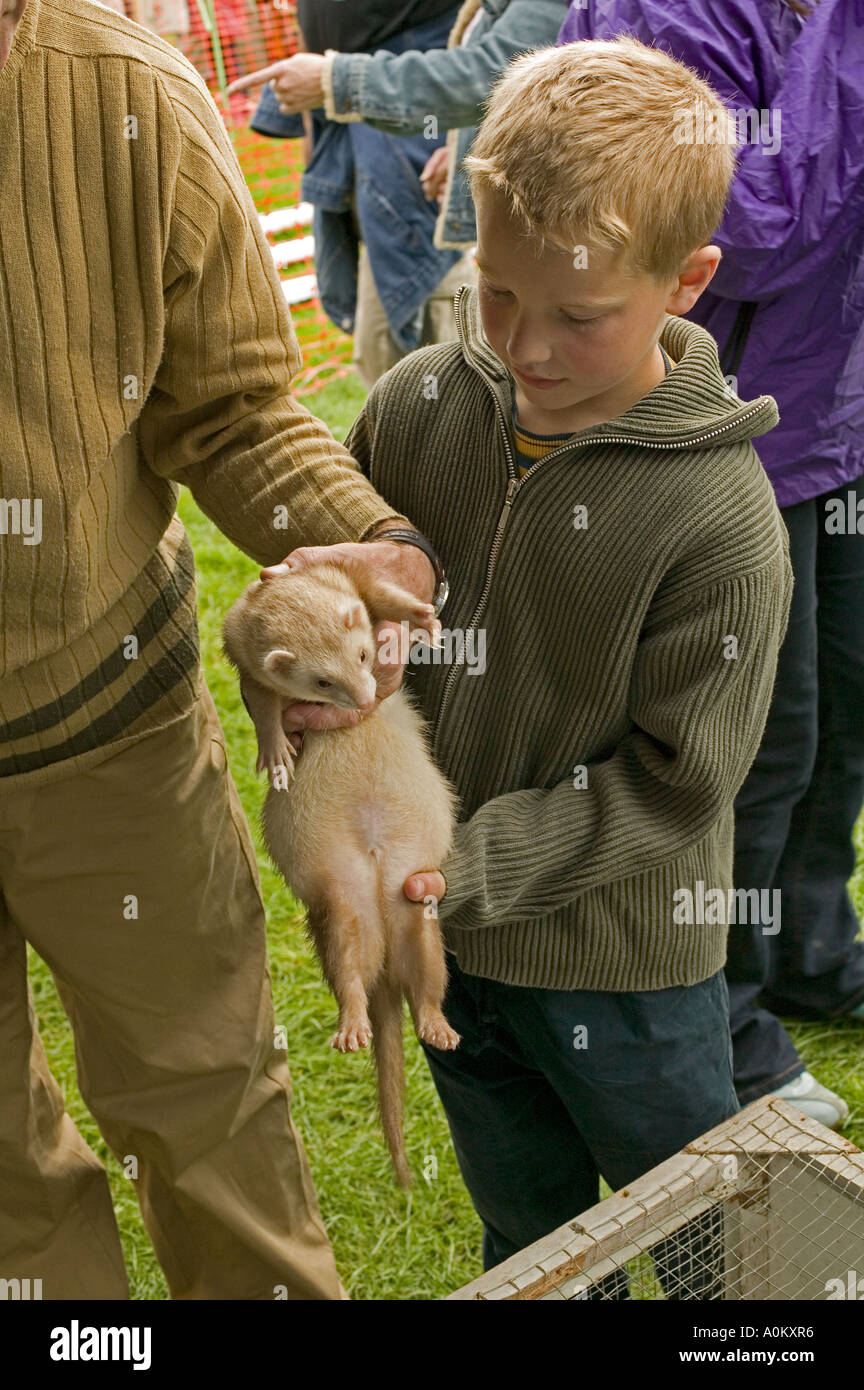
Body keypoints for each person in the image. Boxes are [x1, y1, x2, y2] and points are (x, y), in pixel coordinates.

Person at [0, 0, 444, 1300]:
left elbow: (238, 406)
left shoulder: (122, 89)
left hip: (107, 731)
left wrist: (377, 542)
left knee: (205, 1107)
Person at [341, 35, 793, 1289]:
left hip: (623, 968)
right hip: (446, 965)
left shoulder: (720, 520)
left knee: (706, 1241)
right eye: (495, 292)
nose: (525, 347)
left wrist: (448, 866)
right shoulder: (422, 403)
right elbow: (353, 603)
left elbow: (675, 779)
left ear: (687, 281)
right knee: (531, 1242)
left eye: (580, 316)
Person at [559, 0, 864, 1131]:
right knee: (749, 745)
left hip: (829, 420)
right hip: (712, 428)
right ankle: (724, 1025)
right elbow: (758, 228)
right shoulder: (665, 11)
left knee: (840, 711)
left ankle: (805, 948)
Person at [226, 0, 570, 383]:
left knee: (444, 356)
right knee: (384, 350)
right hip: (378, 127)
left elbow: (497, 70)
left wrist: (335, 81)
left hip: (417, 133)